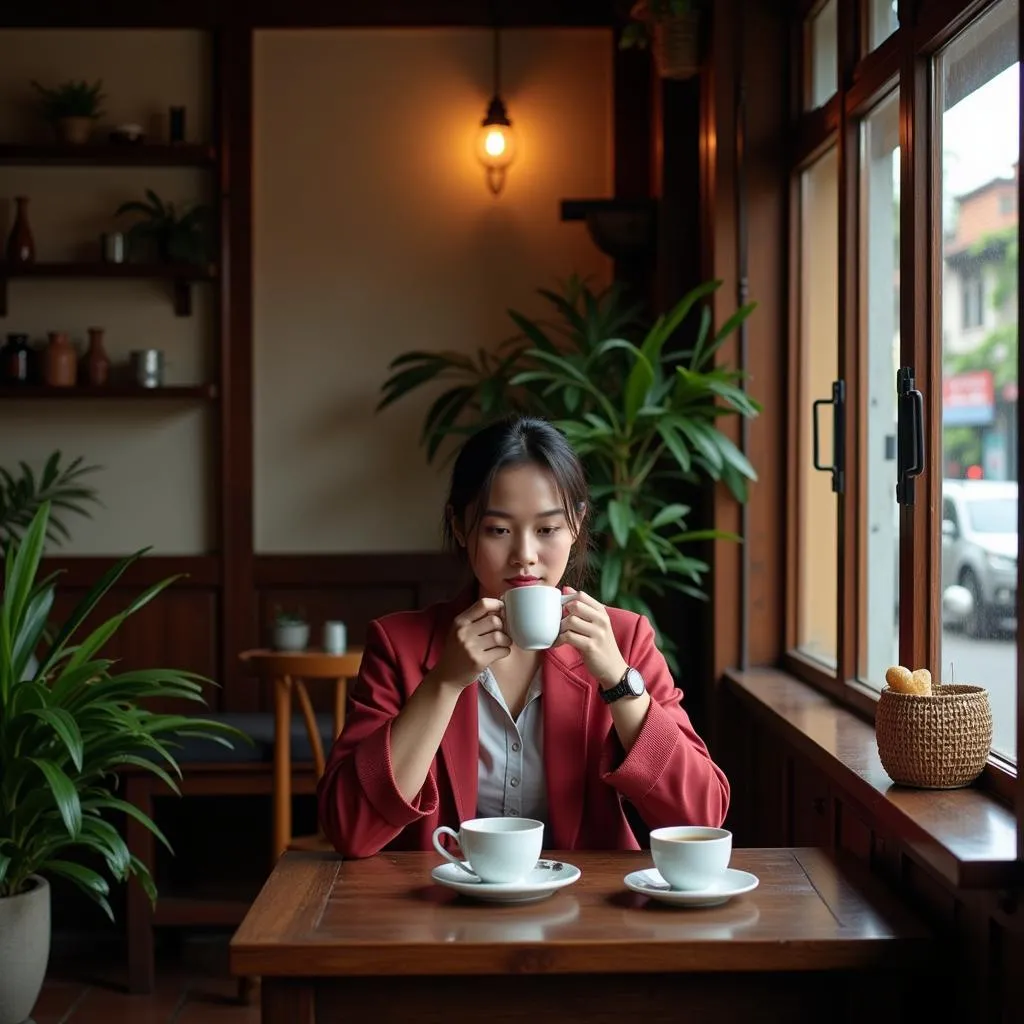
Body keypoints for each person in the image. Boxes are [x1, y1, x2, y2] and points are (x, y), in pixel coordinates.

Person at [317, 416, 729, 858]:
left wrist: (617, 679)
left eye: (548, 529)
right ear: (459, 527)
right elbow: (350, 830)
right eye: (498, 530)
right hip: (440, 912)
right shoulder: (401, 644)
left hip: (585, 914)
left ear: (577, 524)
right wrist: (445, 682)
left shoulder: (622, 639)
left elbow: (700, 818)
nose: (525, 557)